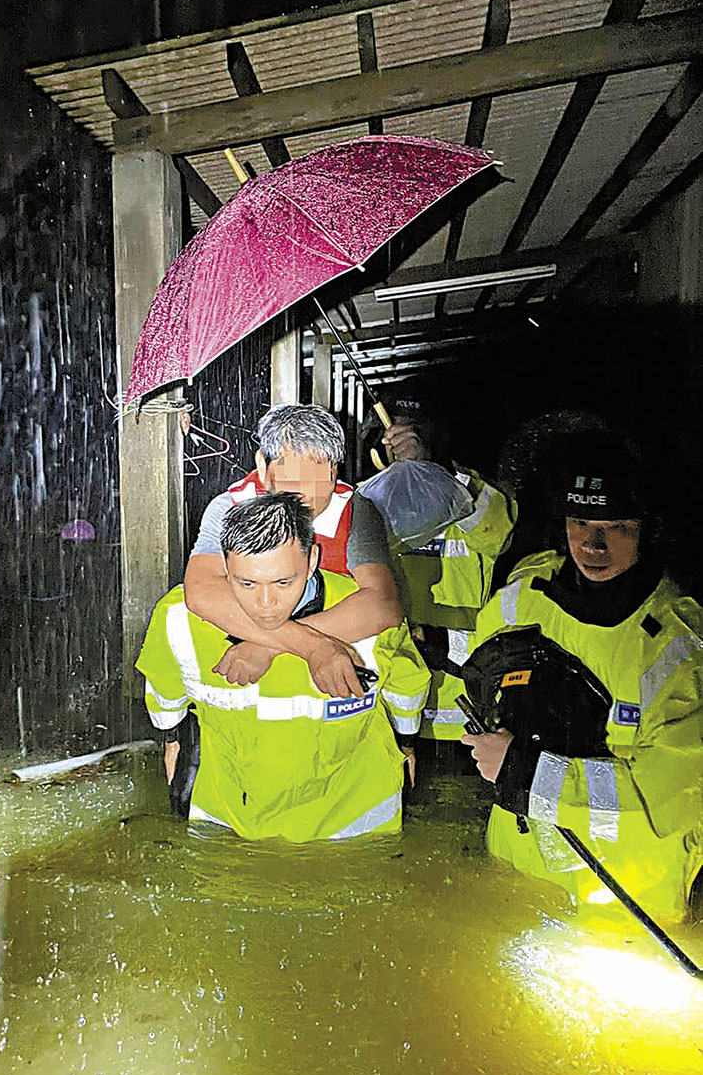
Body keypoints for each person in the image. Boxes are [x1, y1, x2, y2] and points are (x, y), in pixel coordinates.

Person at [460, 430, 703, 922]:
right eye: (580, 522)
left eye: (615, 527)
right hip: (514, 875)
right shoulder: (523, 596)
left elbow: (669, 802)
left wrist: (524, 771)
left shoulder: (679, 650)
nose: (593, 544)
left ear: (647, 529)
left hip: (625, 908)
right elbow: (477, 678)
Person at [137, 493, 430, 841]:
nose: (265, 604)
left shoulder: (371, 619)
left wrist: (407, 742)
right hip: (230, 823)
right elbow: (164, 694)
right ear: (224, 568)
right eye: (246, 583)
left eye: (282, 582)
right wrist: (173, 741)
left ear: (312, 562)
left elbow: (407, 686)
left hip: (354, 825)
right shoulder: (177, 620)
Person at [184, 404, 401, 700]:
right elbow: (201, 591)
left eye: (321, 478)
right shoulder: (230, 507)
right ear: (262, 466)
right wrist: (314, 646)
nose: (307, 497)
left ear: (336, 469)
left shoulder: (356, 511)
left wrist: (267, 645)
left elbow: (382, 605)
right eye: (292, 484)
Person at [376, 385, 517, 745]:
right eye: (397, 430)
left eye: (417, 433)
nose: (404, 442)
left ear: (441, 435)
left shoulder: (472, 491)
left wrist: (438, 472)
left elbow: (499, 535)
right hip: (393, 711)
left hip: (466, 714)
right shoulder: (370, 496)